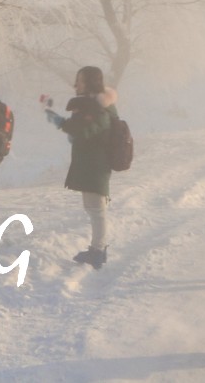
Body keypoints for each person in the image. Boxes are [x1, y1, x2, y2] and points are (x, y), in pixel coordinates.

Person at [43, 65, 117, 268]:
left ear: (91, 82)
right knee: (93, 207)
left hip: (96, 163)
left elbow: (89, 130)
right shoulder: (92, 104)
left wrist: (63, 124)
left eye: (81, 80)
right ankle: (97, 249)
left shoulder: (99, 105)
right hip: (90, 162)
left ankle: (98, 251)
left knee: (96, 209)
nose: (77, 84)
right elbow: (85, 129)